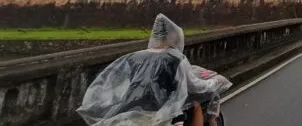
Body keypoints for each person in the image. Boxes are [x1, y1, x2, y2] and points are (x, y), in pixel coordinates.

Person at [77, 13, 232, 126]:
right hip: (163, 113)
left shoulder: (135, 57)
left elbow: (117, 84)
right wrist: (216, 82)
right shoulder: (176, 58)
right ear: (174, 38)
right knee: (196, 105)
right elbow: (196, 86)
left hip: (128, 109)